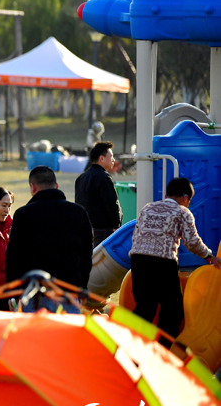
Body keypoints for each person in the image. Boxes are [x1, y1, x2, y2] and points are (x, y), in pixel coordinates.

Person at [130, 177, 221, 343]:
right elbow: (191, 241)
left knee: (145, 307)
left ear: (166, 195)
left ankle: (128, 343)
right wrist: (208, 255)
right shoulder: (182, 212)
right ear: (186, 197)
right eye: (189, 201)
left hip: (138, 260)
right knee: (173, 308)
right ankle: (162, 348)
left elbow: (136, 236)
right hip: (163, 262)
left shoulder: (147, 208)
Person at [5, 166, 94, 289]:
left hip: (34, 288)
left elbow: (14, 257)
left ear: (33, 187)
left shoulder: (23, 214)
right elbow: (86, 254)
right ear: (56, 185)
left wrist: (14, 290)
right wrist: (81, 286)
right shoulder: (79, 212)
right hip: (70, 286)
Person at [75, 141, 122, 248]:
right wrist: (117, 225)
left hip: (84, 228)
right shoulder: (104, 177)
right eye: (111, 156)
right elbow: (111, 204)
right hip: (102, 231)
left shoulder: (81, 178)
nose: (113, 160)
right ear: (102, 158)